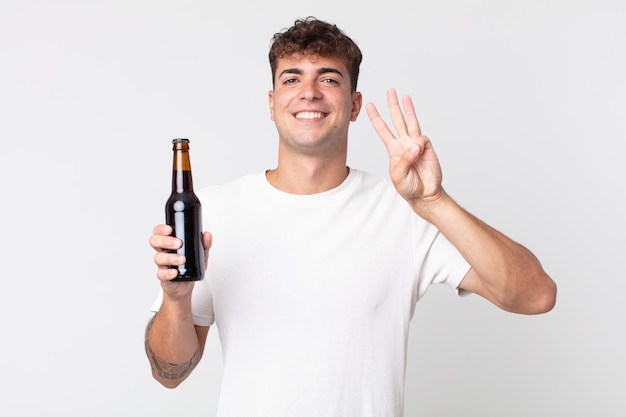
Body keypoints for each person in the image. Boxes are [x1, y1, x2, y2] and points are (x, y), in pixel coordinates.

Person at [145, 16, 556, 417]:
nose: (309, 92)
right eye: (291, 78)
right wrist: (176, 301)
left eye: (328, 78)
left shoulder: (406, 211)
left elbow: (536, 295)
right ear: (272, 104)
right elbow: (169, 373)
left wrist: (435, 201)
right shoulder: (213, 211)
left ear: (355, 105)